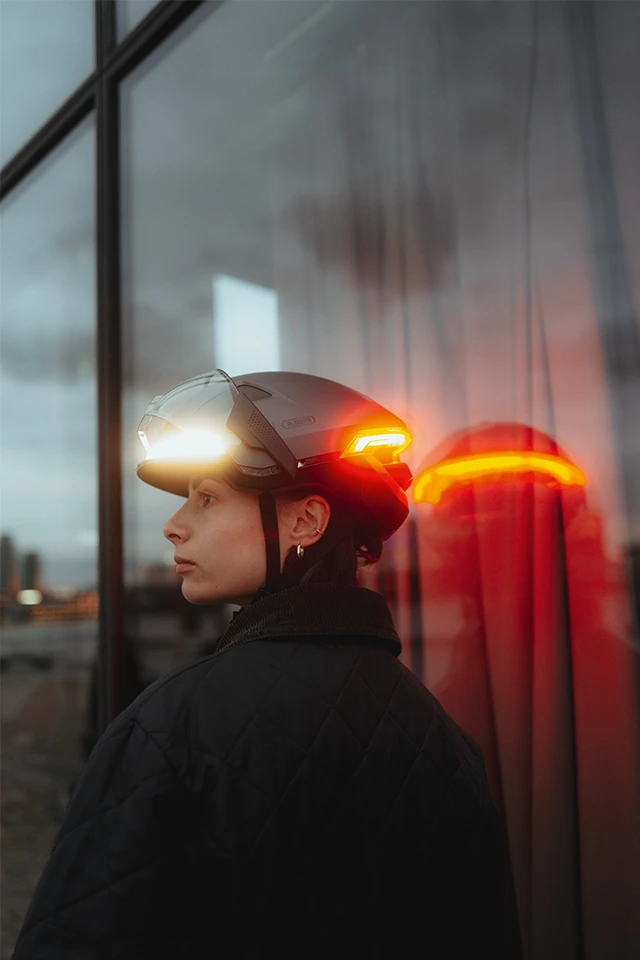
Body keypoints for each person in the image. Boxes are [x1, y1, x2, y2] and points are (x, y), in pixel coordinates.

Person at [12, 369, 522, 959]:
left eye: (206, 498)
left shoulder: (171, 726)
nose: (173, 525)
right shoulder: (444, 738)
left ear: (306, 521)